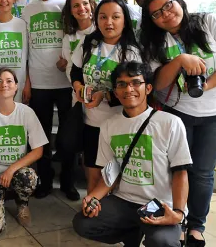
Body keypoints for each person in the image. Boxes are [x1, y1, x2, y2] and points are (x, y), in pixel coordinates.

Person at [140, 0, 216, 246]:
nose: (165, 14)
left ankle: (197, 226)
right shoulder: (156, 41)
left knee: (202, 172)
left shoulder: (208, 22)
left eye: (168, 6)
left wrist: (206, 86)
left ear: (178, 1)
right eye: (156, 14)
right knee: (177, 169)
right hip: (178, 113)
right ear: (151, 20)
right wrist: (179, 61)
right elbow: (158, 84)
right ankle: (176, 219)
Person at [73, 61, 193, 247]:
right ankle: (133, 232)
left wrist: (178, 213)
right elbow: (110, 173)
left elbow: (180, 172)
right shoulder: (108, 126)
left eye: (136, 83)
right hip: (125, 200)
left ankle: (173, 231)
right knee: (83, 223)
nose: (129, 89)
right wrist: (93, 198)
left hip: (159, 204)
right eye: (122, 84)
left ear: (148, 88)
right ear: (115, 91)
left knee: (163, 242)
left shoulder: (170, 123)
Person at [70, 0, 142, 199]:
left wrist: (104, 95)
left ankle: (112, 211)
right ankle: (93, 209)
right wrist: (78, 86)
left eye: (115, 17)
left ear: (124, 20)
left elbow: (134, 90)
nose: (108, 22)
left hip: (119, 123)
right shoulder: (89, 43)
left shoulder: (131, 52)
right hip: (91, 121)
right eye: (103, 17)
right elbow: (75, 70)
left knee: (115, 173)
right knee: (92, 169)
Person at [21, 0, 78, 200]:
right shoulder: (27, 10)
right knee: (40, 137)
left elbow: (77, 39)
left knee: (68, 139)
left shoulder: (66, 5)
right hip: (39, 83)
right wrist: (27, 82)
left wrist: (70, 59)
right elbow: (24, 48)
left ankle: (68, 181)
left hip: (66, 84)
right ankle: (44, 181)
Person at [0, 68, 48, 237]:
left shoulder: (27, 113)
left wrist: (11, 169)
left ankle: (22, 203)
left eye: (9, 81)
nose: (4, 84)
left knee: (29, 177)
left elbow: (38, 150)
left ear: (16, 87)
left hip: (16, 172)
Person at [60, 0, 96, 84]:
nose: (81, 8)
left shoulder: (100, 31)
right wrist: (79, 88)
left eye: (85, 3)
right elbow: (69, 69)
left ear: (91, 5)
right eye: (76, 6)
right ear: (71, 11)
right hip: (78, 94)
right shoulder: (68, 38)